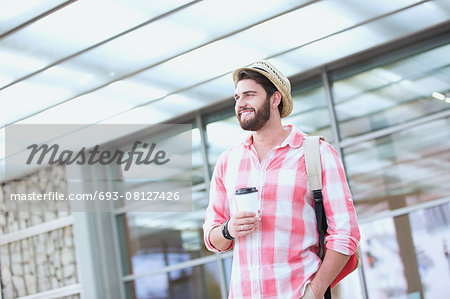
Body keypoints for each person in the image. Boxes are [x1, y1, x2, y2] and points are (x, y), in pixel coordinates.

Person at [203, 60, 360, 299]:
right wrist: (228, 229)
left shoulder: (316, 153)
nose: (241, 103)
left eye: (249, 94)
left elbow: (345, 233)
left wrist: (314, 292)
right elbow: (212, 238)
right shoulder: (228, 161)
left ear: (275, 99)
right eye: (237, 97)